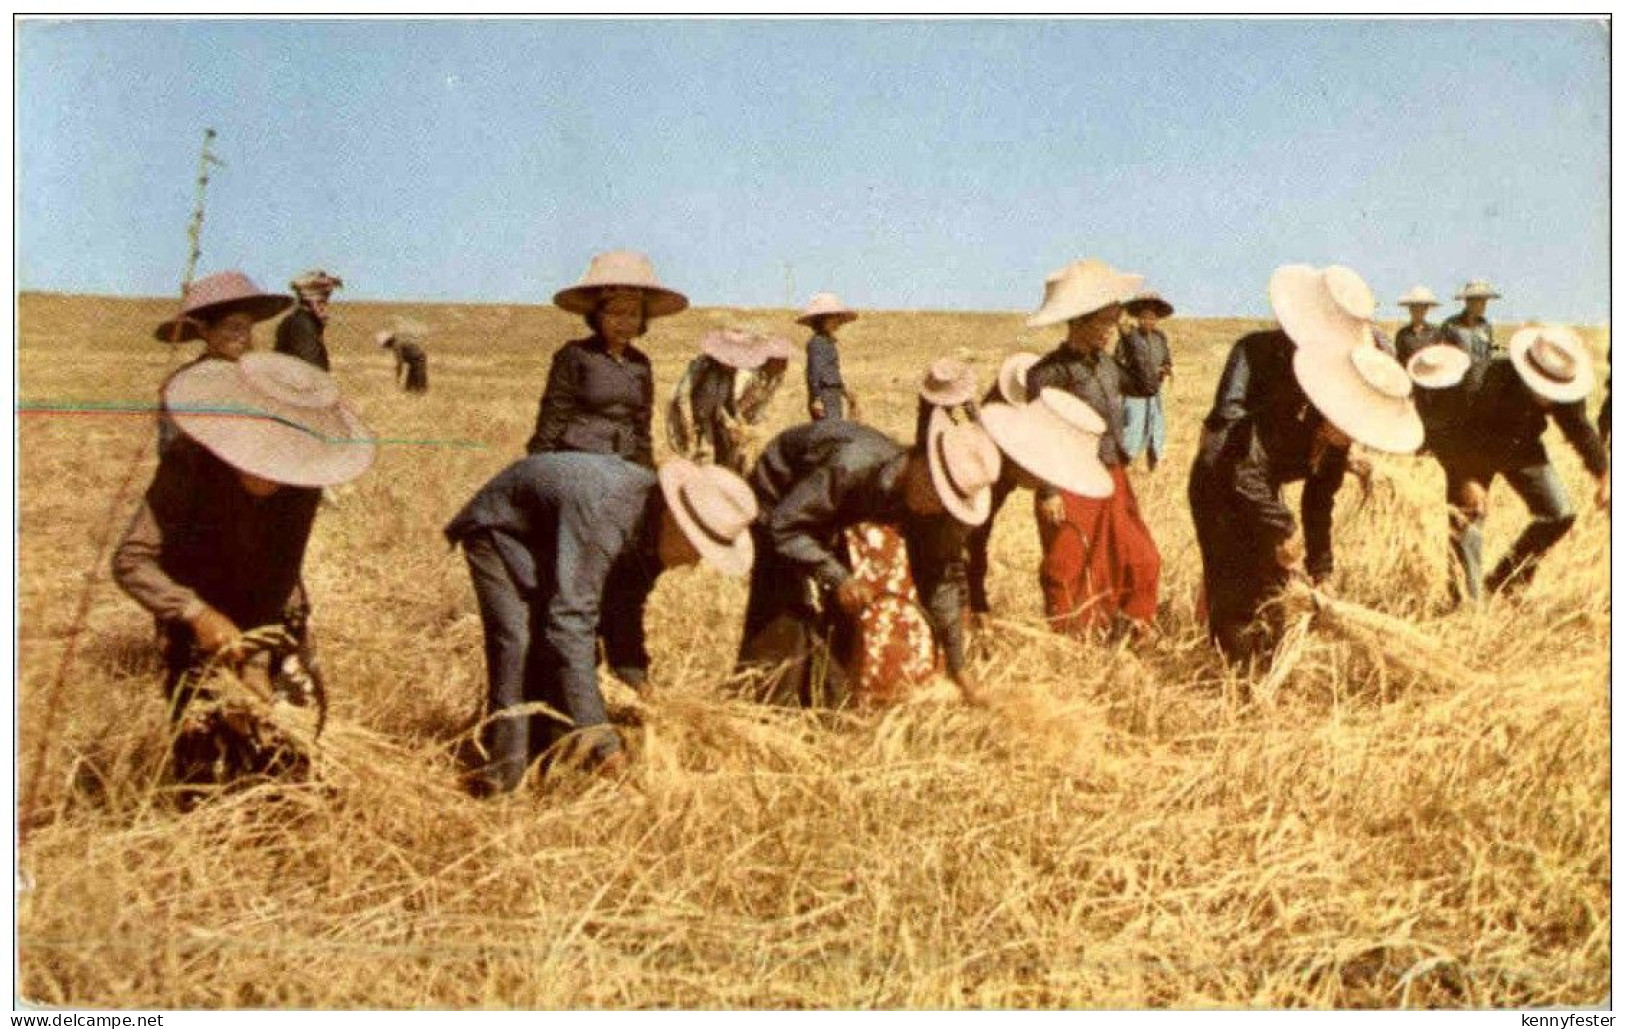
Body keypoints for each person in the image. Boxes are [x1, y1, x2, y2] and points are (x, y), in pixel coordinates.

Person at [445, 454, 756, 793]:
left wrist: (638, 680)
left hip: (555, 539)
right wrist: (603, 742)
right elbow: (569, 624)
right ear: (675, 520)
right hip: (503, 532)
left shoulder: (651, 528)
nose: (696, 562)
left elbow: (625, 608)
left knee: (566, 650)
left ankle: (553, 758)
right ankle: (503, 777)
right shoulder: (607, 514)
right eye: (698, 548)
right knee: (518, 644)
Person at [112, 352, 376, 718]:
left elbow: (281, 572)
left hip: (269, 616)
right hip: (194, 606)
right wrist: (196, 613)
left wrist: (257, 662)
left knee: (282, 734)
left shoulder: (303, 480)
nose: (271, 475)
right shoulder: (188, 463)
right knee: (202, 733)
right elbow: (131, 561)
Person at [1188, 264, 1422, 662]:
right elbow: (1241, 469)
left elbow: (1319, 503)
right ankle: (1232, 679)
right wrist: (1281, 527)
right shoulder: (1283, 406)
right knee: (1237, 586)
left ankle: (1263, 666)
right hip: (1221, 482)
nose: (1352, 437)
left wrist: (1322, 570)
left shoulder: (1333, 442)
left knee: (1275, 588)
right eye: (1350, 424)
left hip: (1260, 486)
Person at [734, 398, 1000, 709]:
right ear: (922, 461)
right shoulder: (852, 464)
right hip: (780, 503)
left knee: (844, 622)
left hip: (830, 516)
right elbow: (785, 526)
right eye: (937, 493)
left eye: (947, 503)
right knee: (786, 620)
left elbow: (939, 581)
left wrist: (960, 671)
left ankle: (827, 709)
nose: (936, 507)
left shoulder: (925, 506)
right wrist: (838, 576)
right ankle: (762, 710)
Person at [1024, 259, 1162, 640]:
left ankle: (1130, 627)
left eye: (1112, 322)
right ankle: (1071, 641)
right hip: (1070, 478)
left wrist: (1132, 336)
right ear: (1078, 321)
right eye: (1103, 323)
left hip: (1111, 472)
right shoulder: (1047, 373)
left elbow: (1147, 385)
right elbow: (1040, 437)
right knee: (1069, 562)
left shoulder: (1106, 364)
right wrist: (1049, 490)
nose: (1108, 331)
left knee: (1140, 556)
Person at [1449, 326, 1608, 600]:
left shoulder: (1565, 381)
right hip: (1474, 447)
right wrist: (1469, 478)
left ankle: (1506, 579)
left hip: (1523, 447)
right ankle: (1466, 604)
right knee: (1467, 518)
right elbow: (1459, 432)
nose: (1549, 396)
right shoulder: (1486, 379)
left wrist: (1606, 475)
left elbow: (1580, 431)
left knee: (1560, 514)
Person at [526, 251, 686, 467]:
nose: (624, 322)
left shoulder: (640, 364)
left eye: (632, 314)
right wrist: (538, 464)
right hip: (578, 459)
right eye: (615, 313)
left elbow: (641, 426)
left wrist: (646, 469)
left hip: (625, 462)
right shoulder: (575, 354)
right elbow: (554, 414)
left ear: (642, 320)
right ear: (598, 316)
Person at [152, 270, 294, 452]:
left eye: (247, 328)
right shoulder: (182, 385)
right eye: (234, 327)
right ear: (205, 330)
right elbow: (171, 450)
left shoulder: (257, 379)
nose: (244, 337)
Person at [964, 351, 1037, 622]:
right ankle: (975, 605)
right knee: (973, 542)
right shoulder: (992, 418)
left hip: (989, 486)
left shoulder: (993, 414)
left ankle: (976, 604)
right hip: (978, 484)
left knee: (974, 541)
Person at [667, 326, 794, 473]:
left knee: (717, 456)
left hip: (711, 419)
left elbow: (729, 403)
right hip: (689, 419)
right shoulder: (702, 366)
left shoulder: (730, 373)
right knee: (697, 458)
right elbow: (683, 397)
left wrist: (738, 424)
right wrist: (689, 430)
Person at [1115, 290, 1175, 472]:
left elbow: (1167, 360)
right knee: (1132, 429)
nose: (1147, 321)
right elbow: (1119, 363)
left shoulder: (1160, 338)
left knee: (1156, 430)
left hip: (1154, 393)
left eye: (1152, 317)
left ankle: (1154, 467)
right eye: (1144, 317)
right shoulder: (1129, 338)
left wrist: (1165, 369)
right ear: (1138, 317)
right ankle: (1123, 466)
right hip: (1134, 394)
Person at [799, 292, 861, 422]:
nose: (838, 322)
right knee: (828, 433)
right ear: (823, 319)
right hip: (824, 394)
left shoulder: (828, 342)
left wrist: (845, 392)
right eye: (834, 318)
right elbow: (814, 372)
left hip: (833, 394)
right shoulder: (816, 342)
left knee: (835, 430)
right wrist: (816, 398)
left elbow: (833, 371)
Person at [275, 269, 344, 371]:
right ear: (311, 302)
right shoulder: (303, 325)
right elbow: (313, 367)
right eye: (321, 302)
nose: (324, 307)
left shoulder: (298, 320)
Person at [1392, 285, 1442, 365]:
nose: (1418, 310)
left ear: (1426, 309)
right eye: (1414, 307)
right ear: (1409, 308)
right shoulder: (1402, 334)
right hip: (1408, 375)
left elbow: (1441, 357)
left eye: (1422, 307)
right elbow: (1399, 360)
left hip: (1431, 375)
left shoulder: (1436, 332)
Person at [376, 322, 430, 393]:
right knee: (412, 383)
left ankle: (420, 393)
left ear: (387, 343)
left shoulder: (396, 346)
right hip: (415, 360)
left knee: (418, 382)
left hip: (418, 360)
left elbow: (400, 362)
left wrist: (398, 376)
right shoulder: (398, 342)